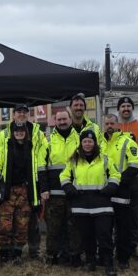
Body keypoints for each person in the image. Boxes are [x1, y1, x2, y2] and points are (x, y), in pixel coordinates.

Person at [60, 129, 121, 276]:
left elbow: (115, 174)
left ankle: (108, 264)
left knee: (104, 235)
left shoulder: (104, 159)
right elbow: (64, 175)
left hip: (101, 203)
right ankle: (90, 261)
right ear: (81, 143)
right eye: (85, 141)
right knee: (87, 236)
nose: (87, 144)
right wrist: (69, 188)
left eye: (90, 141)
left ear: (95, 143)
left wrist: (111, 186)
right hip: (81, 204)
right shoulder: (73, 160)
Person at [0, 105, 46, 259]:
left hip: (26, 190)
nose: (19, 133)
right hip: (8, 190)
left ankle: (18, 251)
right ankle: (4, 251)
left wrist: (42, 186)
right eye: (18, 112)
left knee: (23, 223)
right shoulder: (4, 140)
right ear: (13, 115)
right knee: (5, 224)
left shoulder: (35, 138)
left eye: (24, 112)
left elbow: (42, 159)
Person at [103, 113, 138, 267]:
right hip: (104, 190)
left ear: (117, 124)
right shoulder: (99, 142)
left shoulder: (128, 141)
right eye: (107, 124)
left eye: (112, 123)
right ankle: (106, 256)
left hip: (122, 189)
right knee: (105, 226)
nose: (109, 126)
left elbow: (135, 164)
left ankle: (123, 258)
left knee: (122, 226)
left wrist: (117, 181)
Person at [43, 109, 81, 264]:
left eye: (65, 119)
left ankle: (74, 255)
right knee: (54, 227)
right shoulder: (48, 142)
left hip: (74, 191)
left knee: (74, 227)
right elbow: (42, 167)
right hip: (55, 192)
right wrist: (44, 189)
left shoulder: (80, 139)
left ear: (70, 120)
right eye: (59, 120)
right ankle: (52, 255)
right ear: (55, 121)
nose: (62, 122)